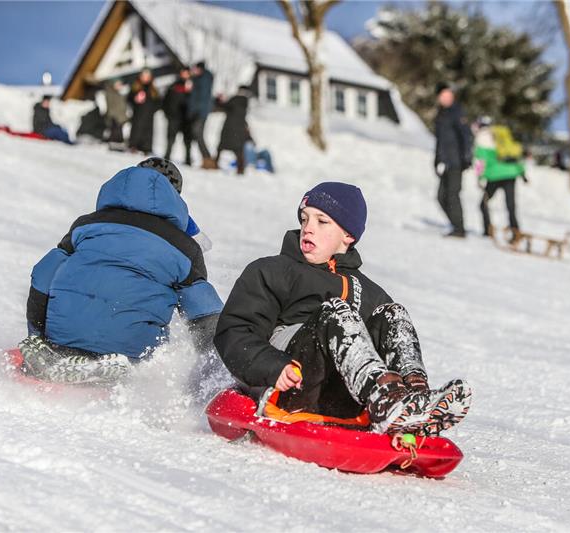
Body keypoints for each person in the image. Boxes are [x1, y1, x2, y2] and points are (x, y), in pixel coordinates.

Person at [214, 182, 472, 436]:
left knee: (393, 314)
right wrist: (273, 367)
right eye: (304, 219)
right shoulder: (273, 270)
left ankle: (413, 400)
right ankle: (384, 401)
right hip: (292, 384)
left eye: (321, 221)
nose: (308, 229)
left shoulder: (370, 291)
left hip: (343, 396)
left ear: (348, 235)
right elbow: (236, 330)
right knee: (337, 312)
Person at [20, 158, 224, 383]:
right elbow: (206, 315)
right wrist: (209, 373)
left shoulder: (85, 227)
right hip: (134, 349)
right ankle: (121, 364)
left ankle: (52, 354)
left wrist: (38, 334)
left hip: (62, 338)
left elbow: (42, 276)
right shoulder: (184, 248)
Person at [474, 119, 526, 239]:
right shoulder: (501, 135)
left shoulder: (482, 137)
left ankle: (488, 231)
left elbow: (480, 160)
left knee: (484, 203)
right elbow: (515, 155)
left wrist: (479, 177)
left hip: (495, 175)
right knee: (510, 205)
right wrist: (522, 173)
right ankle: (516, 232)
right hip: (511, 173)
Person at [433, 82, 471, 238]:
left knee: (453, 195)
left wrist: (467, 157)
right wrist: (437, 160)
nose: (447, 98)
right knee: (441, 196)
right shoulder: (441, 115)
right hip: (445, 162)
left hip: (456, 162)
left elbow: (466, 136)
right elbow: (440, 142)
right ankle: (456, 224)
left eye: (449, 95)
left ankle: (459, 229)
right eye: (444, 95)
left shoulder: (457, 112)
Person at [214, 86, 252, 175]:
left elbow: (223, 106)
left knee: (220, 147)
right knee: (239, 150)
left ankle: (215, 163)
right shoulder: (245, 102)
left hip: (230, 128)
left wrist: (218, 100)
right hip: (240, 129)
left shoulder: (235, 99)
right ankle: (241, 169)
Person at [188, 61, 217, 169]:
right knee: (197, 134)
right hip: (198, 111)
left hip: (200, 112)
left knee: (198, 133)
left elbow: (202, 97)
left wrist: (195, 111)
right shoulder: (198, 79)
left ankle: (208, 160)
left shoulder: (204, 79)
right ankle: (207, 159)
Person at [163, 67, 193, 164]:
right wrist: (167, 113)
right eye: (183, 72)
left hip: (186, 118)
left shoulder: (193, 87)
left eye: (186, 73)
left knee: (187, 140)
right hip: (174, 116)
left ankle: (188, 159)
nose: (184, 75)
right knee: (171, 138)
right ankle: (167, 156)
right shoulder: (173, 86)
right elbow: (166, 100)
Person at [127, 69, 160, 155]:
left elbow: (159, 102)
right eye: (143, 76)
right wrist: (135, 99)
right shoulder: (136, 87)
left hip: (149, 115)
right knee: (136, 129)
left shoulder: (153, 90)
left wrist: (153, 109)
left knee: (148, 132)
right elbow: (129, 99)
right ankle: (133, 146)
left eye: (147, 77)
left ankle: (146, 148)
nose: (145, 78)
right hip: (138, 113)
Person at [104, 79, 128, 146]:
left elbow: (123, 107)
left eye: (120, 85)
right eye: (117, 84)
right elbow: (110, 105)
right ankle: (114, 142)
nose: (119, 86)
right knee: (115, 130)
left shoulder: (120, 94)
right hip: (114, 116)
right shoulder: (111, 93)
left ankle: (118, 142)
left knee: (119, 131)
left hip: (121, 117)